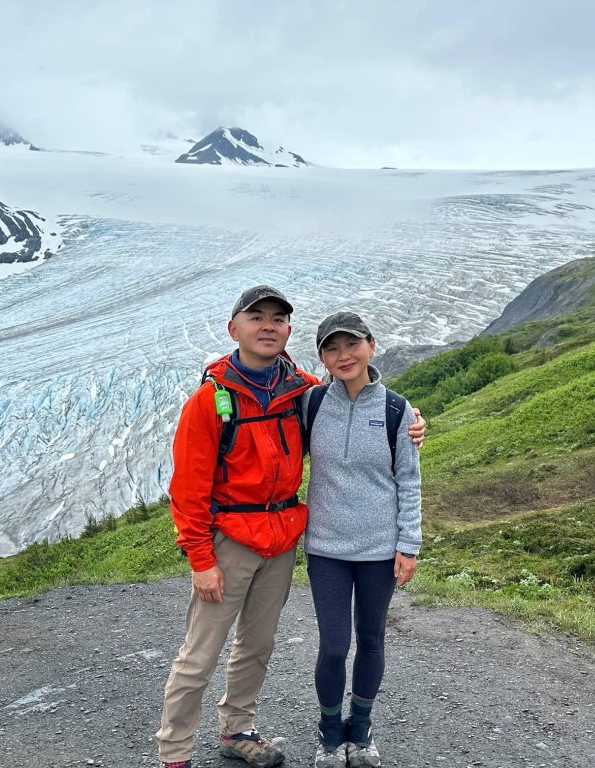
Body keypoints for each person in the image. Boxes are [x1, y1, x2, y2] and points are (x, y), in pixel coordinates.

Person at [156, 287, 424, 768]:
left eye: (277, 319)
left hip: (280, 540)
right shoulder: (211, 400)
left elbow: (354, 398)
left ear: (288, 331)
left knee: (256, 646)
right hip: (230, 541)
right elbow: (188, 488)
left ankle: (237, 730)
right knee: (200, 653)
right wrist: (200, 558)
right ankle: (174, 753)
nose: (268, 326)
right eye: (256, 317)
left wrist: (413, 420)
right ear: (233, 328)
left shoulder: (299, 389)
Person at [303, 311, 422, 768]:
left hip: (378, 549)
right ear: (322, 358)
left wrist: (409, 544)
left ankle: (362, 727)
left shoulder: (396, 409)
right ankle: (330, 731)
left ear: (371, 345)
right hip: (326, 548)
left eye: (351, 344)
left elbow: (409, 480)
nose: (343, 355)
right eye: (331, 348)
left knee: (371, 640)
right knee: (334, 646)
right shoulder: (311, 404)